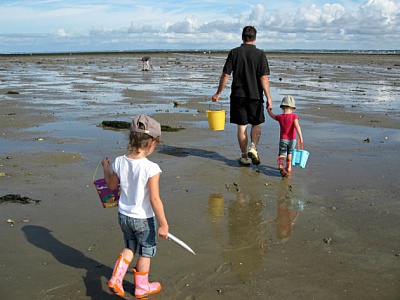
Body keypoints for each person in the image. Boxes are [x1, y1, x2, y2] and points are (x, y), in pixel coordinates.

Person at [102, 114, 169, 298]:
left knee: (130, 247)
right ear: (152, 143)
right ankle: (141, 287)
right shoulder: (151, 168)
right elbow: (155, 199)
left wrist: (106, 168)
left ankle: (117, 277)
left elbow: (111, 186)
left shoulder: (119, 161)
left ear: (131, 139)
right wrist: (163, 224)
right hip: (144, 219)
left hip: (124, 216)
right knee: (146, 252)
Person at [212, 25, 273, 166]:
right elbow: (264, 78)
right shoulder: (260, 54)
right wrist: (269, 98)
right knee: (256, 123)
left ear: (242, 37)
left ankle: (245, 156)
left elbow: (225, 75)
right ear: (255, 38)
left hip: (238, 96)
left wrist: (218, 93)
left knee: (242, 126)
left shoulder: (234, 53)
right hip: (255, 96)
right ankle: (253, 147)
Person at [267, 95, 303, 177]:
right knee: (290, 153)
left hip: (283, 139)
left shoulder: (280, 117)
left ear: (282, 107)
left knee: (282, 153)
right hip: (292, 139)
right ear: (293, 108)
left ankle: (280, 165)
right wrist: (300, 136)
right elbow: (297, 126)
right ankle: (289, 167)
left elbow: (273, 116)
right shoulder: (294, 116)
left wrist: (269, 110)